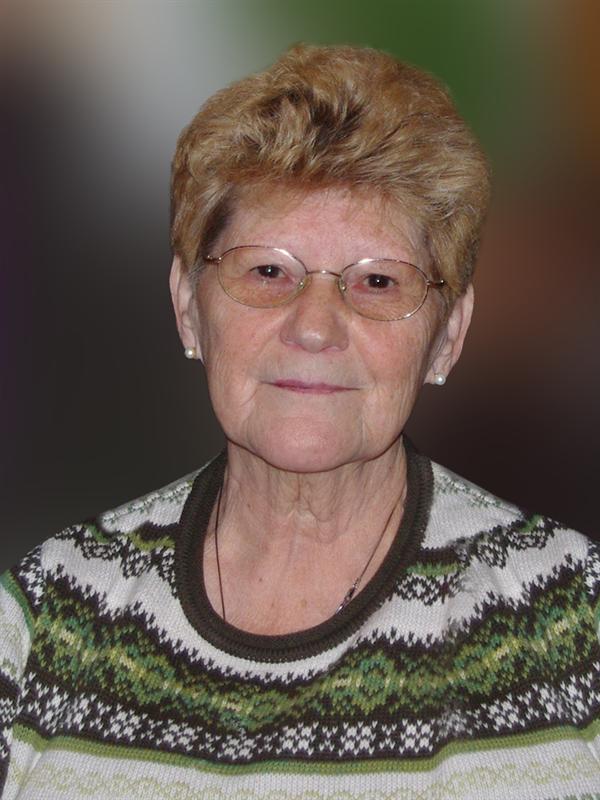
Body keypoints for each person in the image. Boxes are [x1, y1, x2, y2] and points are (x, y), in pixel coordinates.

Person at [1, 43, 598, 800]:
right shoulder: (47, 618)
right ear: (188, 307)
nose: (314, 327)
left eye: (377, 282)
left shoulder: (572, 623)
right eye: (267, 272)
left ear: (448, 334)